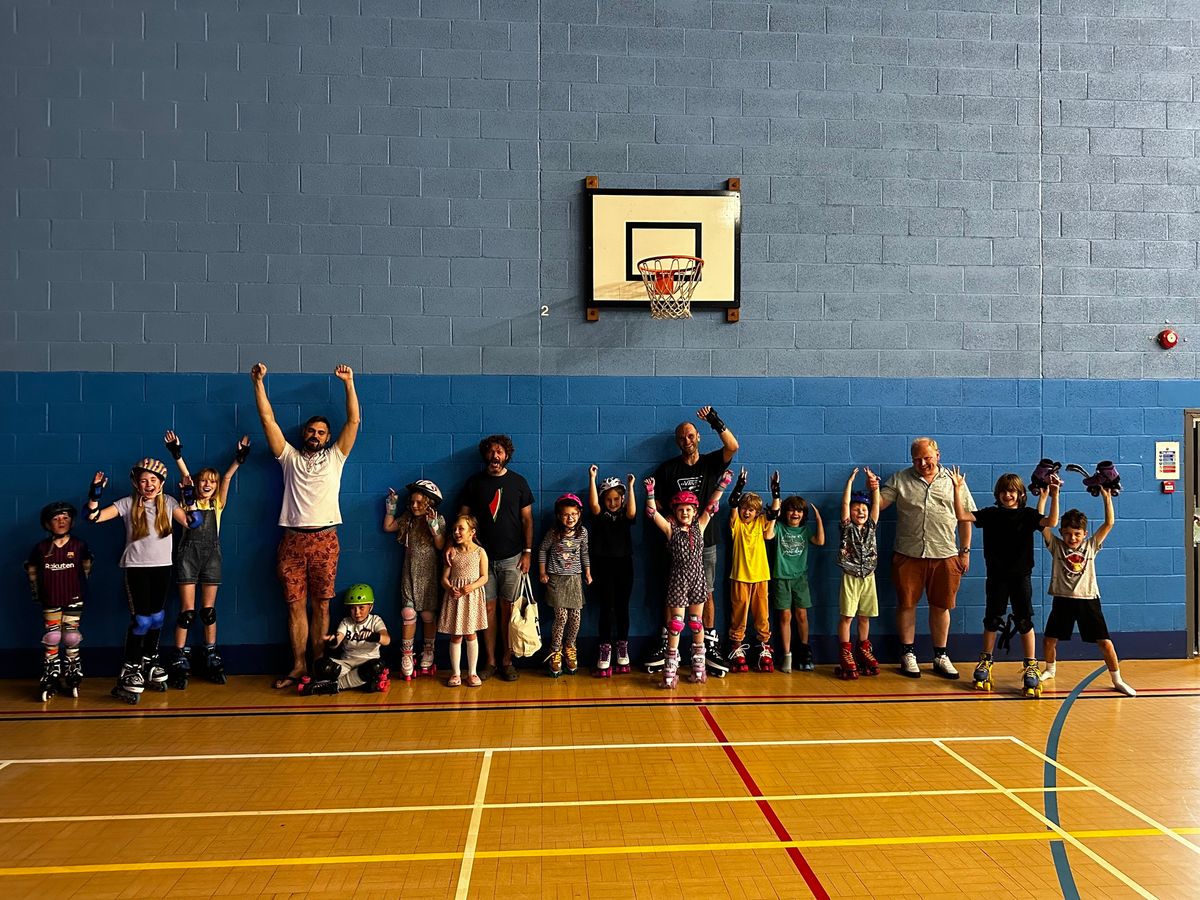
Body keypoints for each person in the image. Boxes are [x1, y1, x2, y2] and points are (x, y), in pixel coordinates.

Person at [250, 362, 360, 691]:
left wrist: (349, 383)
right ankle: (298, 666)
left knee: (322, 605)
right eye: (311, 431)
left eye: (321, 432)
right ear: (304, 435)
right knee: (294, 606)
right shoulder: (289, 457)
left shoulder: (336, 457)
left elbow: (353, 420)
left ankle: (319, 666)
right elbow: (267, 420)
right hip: (292, 542)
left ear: (328, 438)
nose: (315, 435)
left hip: (326, 540)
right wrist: (258, 383)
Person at [85, 460, 200, 703]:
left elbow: (193, 523)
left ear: (160, 483)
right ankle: (131, 668)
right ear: (137, 483)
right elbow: (94, 517)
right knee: (141, 619)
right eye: (144, 480)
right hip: (136, 568)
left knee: (157, 618)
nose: (148, 484)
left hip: (162, 567)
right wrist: (95, 493)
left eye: (153, 480)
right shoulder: (127, 504)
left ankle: (149, 660)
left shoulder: (168, 502)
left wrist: (189, 498)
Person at [951, 469, 1060, 697]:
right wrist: (957, 489)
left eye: (1012, 491)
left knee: (1023, 620)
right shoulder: (991, 514)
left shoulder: (1029, 516)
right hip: (997, 576)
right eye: (1003, 491)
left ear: (1020, 494)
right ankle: (985, 661)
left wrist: (1055, 494)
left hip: (1021, 576)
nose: (1007, 495)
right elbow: (961, 516)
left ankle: (1031, 664)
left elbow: (1051, 521)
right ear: (998, 494)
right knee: (992, 619)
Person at [649, 406, 739, 676]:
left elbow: (733, 446)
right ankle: (668, 643)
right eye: (681, 438)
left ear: (698, 437)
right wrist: (673, 527)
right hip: (676, 542)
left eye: (690, 436)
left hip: (706, 540)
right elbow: (660, 506)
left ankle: (708, 644)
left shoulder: (711, 462)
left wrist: (714, 420)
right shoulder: (668, 469)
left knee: (706, 592)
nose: (686, 441)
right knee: (672, 592)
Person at [878, 437, 975, 678]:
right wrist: (872, 490)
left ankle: (940, 656)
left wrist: (964, 551)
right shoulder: (900, 479)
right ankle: (908, 654)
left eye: (927, 457)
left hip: (945, 554)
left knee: (941, 606)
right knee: (907, 604)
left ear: (938, 455)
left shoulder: (955, 482)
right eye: (917, 459)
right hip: (908, 554)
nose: (923, 463)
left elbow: (965, 519)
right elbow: (879, 505)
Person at [162, 429, 250, 689]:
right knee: (187, 613)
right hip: (188, 556)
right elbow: (186, 477)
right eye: (204, 481)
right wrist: (177, 454)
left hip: (212, 557)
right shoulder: (187, 502)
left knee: (208, 612)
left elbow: (229, 475)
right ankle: (179, 657)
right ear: (197, 484)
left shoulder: (217, 504)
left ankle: (210, 653)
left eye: (212, 481)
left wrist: (239, 458)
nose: (208, 484)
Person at [1039, 487, 1135, 696]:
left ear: (1084, 533)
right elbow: (1041, 523)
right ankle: (1050, 669)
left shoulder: (1091, 546)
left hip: (1088, 600)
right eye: (1067, 534)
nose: (1071, 538)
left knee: (1104, 642)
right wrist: (1048, 497)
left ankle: (1117, 678)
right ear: (1061, 533)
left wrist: (1106, 497)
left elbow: (1109, 523)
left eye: (1076, 534)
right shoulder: (1056, 547)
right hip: (1063, 600)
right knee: (1049, 640)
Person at [644, 470, 733, 688]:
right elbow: (652, 513)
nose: (685, 513)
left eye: (689, 509)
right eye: (681, 509)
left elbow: (711, 506)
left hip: (697, 579)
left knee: (696, 622)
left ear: (694, 512)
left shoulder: (699, 527)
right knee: (675, 624)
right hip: (678, 580)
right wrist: (650, 492)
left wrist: (722, 484)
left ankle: (699, 666)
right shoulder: (670, 529)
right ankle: (670, 668)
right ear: (675, 511)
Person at [456, 434, 533, 683]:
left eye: (499, 452)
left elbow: (527, 520)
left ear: (507, 455)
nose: (495, 456)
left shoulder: (519, 482)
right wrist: (452, 545)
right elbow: (462, 519)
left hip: (513, 558)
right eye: (491, 452)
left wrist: (528, 552)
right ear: (485, 455)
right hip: (481, 560)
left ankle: (507, 661)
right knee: (487, 609)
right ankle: (489, 661)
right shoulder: (474, 483)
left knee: (508, 610)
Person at [25, 501, 93, 701]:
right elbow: (32, 570)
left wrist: (82, 589)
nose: (61, 522)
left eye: (65, 518)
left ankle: (73, 668)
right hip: (51, 598)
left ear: (71, 521)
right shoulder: (41, 548)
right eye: (56, 519)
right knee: (53, 636)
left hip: (73, 597)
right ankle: (52, 671)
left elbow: (87, 567)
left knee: (71, 636)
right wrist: (36, 594)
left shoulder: (79, 545)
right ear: (47, 524)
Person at [383, 480, 446, 680]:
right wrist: (391, 506)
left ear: (429, 503)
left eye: (419, 502)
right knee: (408, 612)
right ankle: (407, 655)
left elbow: (440, 545)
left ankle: (429, 650)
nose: (414, 506)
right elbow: (388, 527)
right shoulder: (408, 519)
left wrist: (434, 528)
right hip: (409, 573)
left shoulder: (438, 519)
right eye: (412, 502)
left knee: (428, 614)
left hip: (428, 575)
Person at [725, 469, 781, 673]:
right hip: (740, 576)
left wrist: (775, 491)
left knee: (762, 615)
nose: (746, 512)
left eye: (751, 510)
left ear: (757, 513)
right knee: (739, 615)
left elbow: (774, 512)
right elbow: (732, 503)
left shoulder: (760, 524)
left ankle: (764, 647)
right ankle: (736, 647)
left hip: (760, 577)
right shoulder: (737, 525)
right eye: (744, 509)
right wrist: (740, 484)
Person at [586, 466, 637, 677]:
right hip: (603, 566)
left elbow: (633, 511)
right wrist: (592, 478)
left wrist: (631, 487)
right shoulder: (600, 516)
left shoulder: (626, 515)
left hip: (624, 566)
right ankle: (605, 649)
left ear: (622, 500)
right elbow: (593, 505)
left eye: (617, 499)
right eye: (609, 499)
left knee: (623, 608)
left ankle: (622, 647)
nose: (613, 503)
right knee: (607, 608)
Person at [297, 583, 391, 696]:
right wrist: (333, 640)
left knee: (377, 667)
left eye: (361, 608)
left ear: (370, 606)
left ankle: (334, 686)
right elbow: (339, 637)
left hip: (368, 662)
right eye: (353, 608)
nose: (357, 612)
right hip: (347, 664)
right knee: (321, 666)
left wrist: (373, 636)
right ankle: (359, 681)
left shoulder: (375, 620)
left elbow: (387, 640)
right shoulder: (346, 622)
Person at [770, 492, 824, 673]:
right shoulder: (778, 527)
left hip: (800, 579)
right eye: (791, 510)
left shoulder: (805, 530)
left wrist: (818, 519)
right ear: (785, 513)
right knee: (785, 616)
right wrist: (773, 516)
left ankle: (804, 650)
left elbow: (820, 541)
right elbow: (768, 535)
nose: (795, 514)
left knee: (802, 615)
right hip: (781, 578)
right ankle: (787, 654)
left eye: (799, 511)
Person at [836, 468, 881, 679]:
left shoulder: (871, 526)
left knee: (864, 616)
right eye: (856, 509)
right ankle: (846, 652)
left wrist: (875, 487)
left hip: (869, 577)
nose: (860, 512)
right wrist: (850, 482)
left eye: (864, 508)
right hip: (851, 576)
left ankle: (864, 649)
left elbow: (877, 505)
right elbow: (845, 505)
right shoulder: (847, 528)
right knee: (848, 616)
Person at [438, 514, 490, 688]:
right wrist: (448, 587)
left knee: (471, 633)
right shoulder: (451, 553)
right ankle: (456, 673)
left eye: (461, 529)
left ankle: (473, 672)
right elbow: (444, 578)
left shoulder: (480, 552)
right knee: (456, 635)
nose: (457, 532)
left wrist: (472, 586)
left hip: (472, 598)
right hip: (455, 599)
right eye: (454, 529)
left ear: (472, 532)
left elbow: (484, 577)